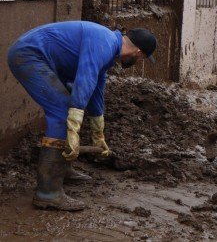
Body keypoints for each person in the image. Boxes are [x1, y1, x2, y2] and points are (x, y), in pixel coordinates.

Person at [6, 22, 157, 211]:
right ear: (139, 53)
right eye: (143, 58)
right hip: (29, 55)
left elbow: (96, 89)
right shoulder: (105, 42)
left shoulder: (109, 47)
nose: (140, 61)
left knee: (71, 108)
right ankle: (48, 193)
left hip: (35, 55)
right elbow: (85, 79)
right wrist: (74, 123)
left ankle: (63, 169)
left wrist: (98, 133)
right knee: (62, 112)